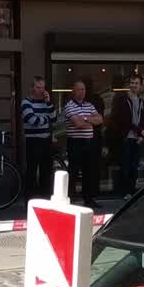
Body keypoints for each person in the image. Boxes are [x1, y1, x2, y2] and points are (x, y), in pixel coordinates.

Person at [63, 80, 103, 209]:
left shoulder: (89, 105)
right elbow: (77, 124)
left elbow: (100, 120)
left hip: (88, 142)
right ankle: (71, 198)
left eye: (83, 89)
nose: (82, 92)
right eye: (79, 89)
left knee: (88, 171)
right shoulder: (69, 106)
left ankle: (88, 199)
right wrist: (90, 121)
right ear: (73, 91)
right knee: (73, 171)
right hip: (75, 142)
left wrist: (85, 119)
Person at [110, 75, 144, 198]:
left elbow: (142, 118)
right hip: (126, 137)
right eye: (132, 83)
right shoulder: (123, 99)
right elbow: (124, 120)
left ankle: (131, 192)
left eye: (136, 83)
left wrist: (142, 133)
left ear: (140, 85)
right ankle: (124, 192)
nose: (133, 85)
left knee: (134, 167)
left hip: (136, 139)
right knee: (124, 166)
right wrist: (140, 131)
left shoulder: (140, 100)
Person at [21, 77, 55, 199]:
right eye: (38, 87)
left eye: (42, 87)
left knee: (46, 172)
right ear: (32, 88)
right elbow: (33, 120)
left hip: (46, 140)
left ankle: (45, 199)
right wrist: (46, 119)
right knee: (31, 171)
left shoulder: (46, 102)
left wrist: (49, 102)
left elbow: (54, 118)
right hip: (33, 141)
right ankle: (29, 200)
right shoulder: (26, 102)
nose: (41, 90)